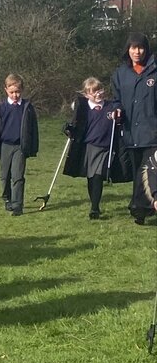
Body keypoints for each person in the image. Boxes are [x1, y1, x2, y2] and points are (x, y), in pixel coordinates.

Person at [63, 77, 131, 219]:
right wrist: (69, 129)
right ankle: (94, 203)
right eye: (94, 92)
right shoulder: (84, 109)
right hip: (89, 147)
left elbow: (121, 117)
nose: (98, 94)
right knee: (91, 177)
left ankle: (94, 208)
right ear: (87, 94)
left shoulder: (110, 106)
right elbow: (77, 125)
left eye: (100, 90)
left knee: (98, 175)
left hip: (105, 147)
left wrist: (118, 115)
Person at [111, 32, 157, 225]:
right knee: (139, 171)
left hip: (152, 131)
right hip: (130, 132)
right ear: (127, 50)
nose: (137, 52)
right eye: (133, 48)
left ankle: (140, 208)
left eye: (140, 48)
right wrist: (116, 110)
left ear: (146, 49)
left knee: (151, 169)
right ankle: (142, 208)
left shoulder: (154, 71)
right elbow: (116, 100)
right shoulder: (120, 74)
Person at [0, 73, 39, 216]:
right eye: (12, 92)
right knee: (4, 176)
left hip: (20, 147)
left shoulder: (27, 108)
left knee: (18, 176)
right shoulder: (1, 108)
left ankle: (17, 205)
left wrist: (32, 147)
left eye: (18, 92)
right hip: (4, 146)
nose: (15, 95)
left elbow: (33, 129)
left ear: (22, 90)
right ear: (6, 90)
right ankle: (7, 198)